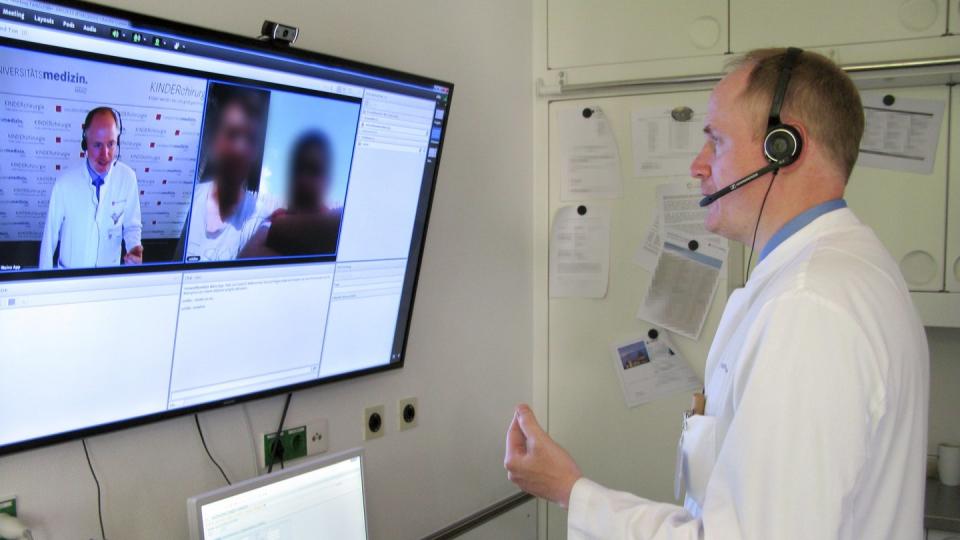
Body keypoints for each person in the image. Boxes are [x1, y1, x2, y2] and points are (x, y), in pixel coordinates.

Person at [504, 48, 929, 540]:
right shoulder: (849, 267)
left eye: (716, 141)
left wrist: (572, 492)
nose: (698, 166)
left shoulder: (808, 307)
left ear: (784, 147)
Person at [39, 107, 143, 269]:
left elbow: (132, 226)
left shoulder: (128, 178)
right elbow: (49, 240)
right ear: (85, 143)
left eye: (111, 144)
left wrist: (135, 249)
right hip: (71, 280)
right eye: (97, 145)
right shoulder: (64, 184)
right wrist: (42, 284)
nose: (105, 154)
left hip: (108, 279)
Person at [185, 85, 276, 262]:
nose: (240, 149)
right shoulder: (191, 199)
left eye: (250, 139)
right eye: (232, 134)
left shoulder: (257, 218)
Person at [238, 131, 343, 258]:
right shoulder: (278, 215)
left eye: (313, 170)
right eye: (298, 169)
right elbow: (248, 254)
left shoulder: (331, 219)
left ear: (327, 181)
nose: (303, 179)